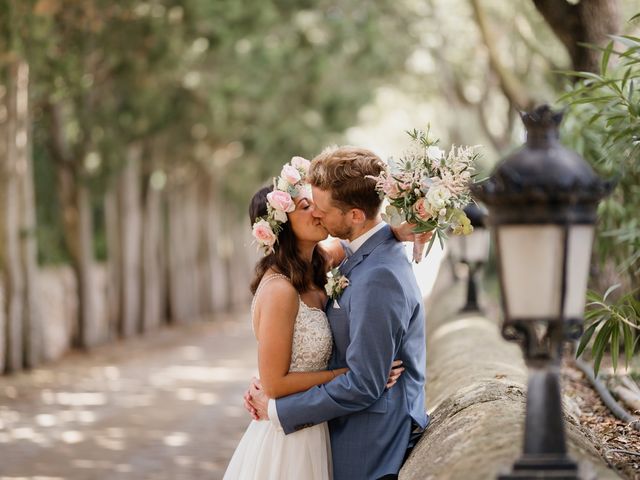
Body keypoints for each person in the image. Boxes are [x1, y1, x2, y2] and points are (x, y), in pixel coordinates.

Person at [245, 147, 429, 480]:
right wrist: (393, 231)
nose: (316, 212)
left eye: (320, 206)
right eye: (307, 205)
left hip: (369, 439)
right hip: (325, 431)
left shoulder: (378, 275)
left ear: (355, 216)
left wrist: (277, 410)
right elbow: (344, 247)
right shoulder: (346, 258)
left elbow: (364, 384)